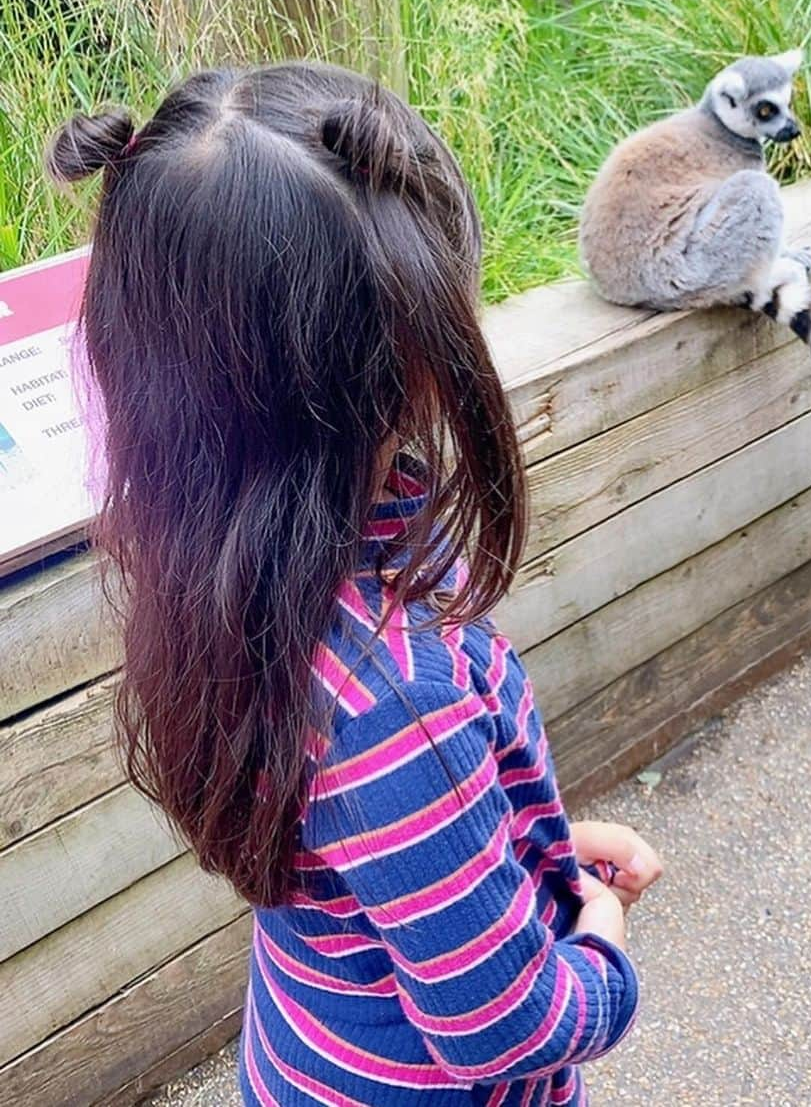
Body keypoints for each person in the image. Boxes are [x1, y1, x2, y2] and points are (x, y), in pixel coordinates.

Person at [47, 64, 662, 1106]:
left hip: (311, 1058)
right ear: (409, 358)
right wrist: (599, 939)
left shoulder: (229, 581)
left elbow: (370, 852)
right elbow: (509, 1028)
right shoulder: (393, 696)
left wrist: (527, 848)